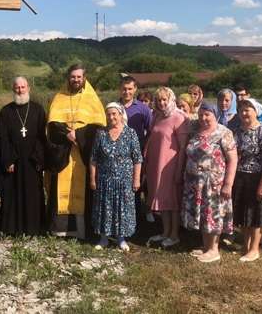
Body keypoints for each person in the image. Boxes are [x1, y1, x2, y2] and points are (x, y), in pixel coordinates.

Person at [46, 64, 106, 240]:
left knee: (85, 191)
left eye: (79, 77)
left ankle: (83, 231)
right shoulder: (59, 97)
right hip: (63, 154)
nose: (76, 80)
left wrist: (78, 135)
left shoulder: (92, 99)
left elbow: (98, 126)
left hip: (83, 155)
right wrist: (68, 135)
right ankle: (60, 230)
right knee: (61, 191)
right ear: (68, 78)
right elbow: (52, 125)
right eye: (73, 77)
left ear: (84, 78)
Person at [181, 102, 237, 263]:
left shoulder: (223, 133)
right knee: (204, 216)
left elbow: (233, 159)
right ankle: (206, 246)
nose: (204, 118)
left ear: (215, 115)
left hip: (214, 183)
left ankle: (214, 250)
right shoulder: (195, 131)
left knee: (213, 215)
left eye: (207, 115)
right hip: (195, 183)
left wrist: (228, 183)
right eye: (201, 115)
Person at [0, 77, 47, 236]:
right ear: (13, 89)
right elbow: (2, 138)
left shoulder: (38, 110)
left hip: (32, 161)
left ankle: (34, 228)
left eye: (23, 87)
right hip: (14, 161)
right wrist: (8, 159)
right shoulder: (6, 111)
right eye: (17, 87)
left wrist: (39, 158)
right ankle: (12, 228)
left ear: (29, 88)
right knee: (12, 193)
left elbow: (42, 136)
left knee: (33, 194)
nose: (20, 90)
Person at [90, 102, 142, 251]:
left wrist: (136, 179)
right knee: (104, 208)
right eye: (109, 114)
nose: (111, 117)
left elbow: (137, 158)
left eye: (114, 114)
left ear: (121, 115)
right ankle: (104, 238)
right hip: (104, 179)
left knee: (122, 209)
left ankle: (121, 238)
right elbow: (93, 158)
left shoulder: (130, 133)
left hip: (124, 180)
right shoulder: (101, 133)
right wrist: (92, 178)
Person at [232, 98, 262, 262]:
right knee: (244, 214)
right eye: (241, 110)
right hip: (240, 176)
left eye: (247, 110)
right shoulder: (238, 130)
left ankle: (254, 249)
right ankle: (245, 245)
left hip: (257, 178)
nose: (244, 113)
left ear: (255, 112)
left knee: (256, 215)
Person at [144, 87, 188, 248]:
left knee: (172, 201)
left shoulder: (179, 117)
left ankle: (174, 235)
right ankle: (165, 232)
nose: (162, 103)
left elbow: (183, 147)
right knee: (162, 200)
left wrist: (179, 169)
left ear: (171, 99)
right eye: (159, 100)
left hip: (170, 165)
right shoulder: (157, 116)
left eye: (165, 99)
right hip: (156, 164)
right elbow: (152, 136)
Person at [118, 76, 152, 151]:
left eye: (130, 89)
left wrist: (145, 145)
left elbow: (150, 130)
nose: (127, 92)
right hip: (117, 151)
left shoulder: (144, 108)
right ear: (120, 89)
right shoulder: (114, 108)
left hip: (138, 150)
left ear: (135, 89)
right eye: (124, 89)